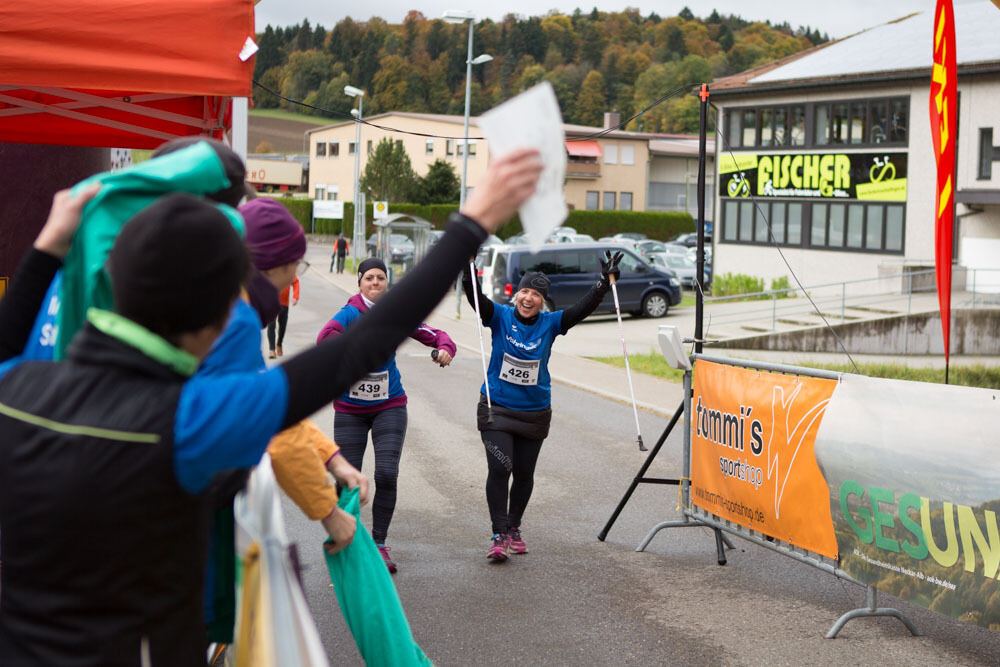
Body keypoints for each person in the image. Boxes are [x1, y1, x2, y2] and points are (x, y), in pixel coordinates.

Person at [0, 148, 542, 664]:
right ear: (218, 320)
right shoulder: (189, 422)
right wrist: (472, 222)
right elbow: (363, 345)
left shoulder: (17, 386)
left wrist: (49, 248)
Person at [462, 249, 622, 562]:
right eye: (524, 291)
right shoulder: (500, 316)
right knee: (500, 466)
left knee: (523, 474)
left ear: (543, 300)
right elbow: (475, 298)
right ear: (515, 294)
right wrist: (468, 268)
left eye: (535, 294)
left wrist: (603, 284)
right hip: (498, 408)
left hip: (534, 413)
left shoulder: (551, 323)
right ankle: (498, 535)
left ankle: (513, 527)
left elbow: (580, 310)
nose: (528, 298)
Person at [317, 256, 456, 573]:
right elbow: (326, 336)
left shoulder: (397, 314)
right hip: (350, 410)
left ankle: (379, 544)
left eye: (381, 278)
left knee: (387, 474)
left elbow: (434, 334)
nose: (375, 283)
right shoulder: (351, 311)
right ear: (360, 283)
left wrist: (446, 348)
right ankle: (348, 542)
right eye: (369, 278)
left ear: (387, 283)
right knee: (347, 482)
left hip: (389, 406)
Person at [267, 275, 299, 358]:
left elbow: (295, 282)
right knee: (271, 326)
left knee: (283, 326)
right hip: (271, 302)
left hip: (284, 304)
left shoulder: (286, 269)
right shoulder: (270, 269)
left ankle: (279, 343)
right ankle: (272, 350)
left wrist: (295, 296)